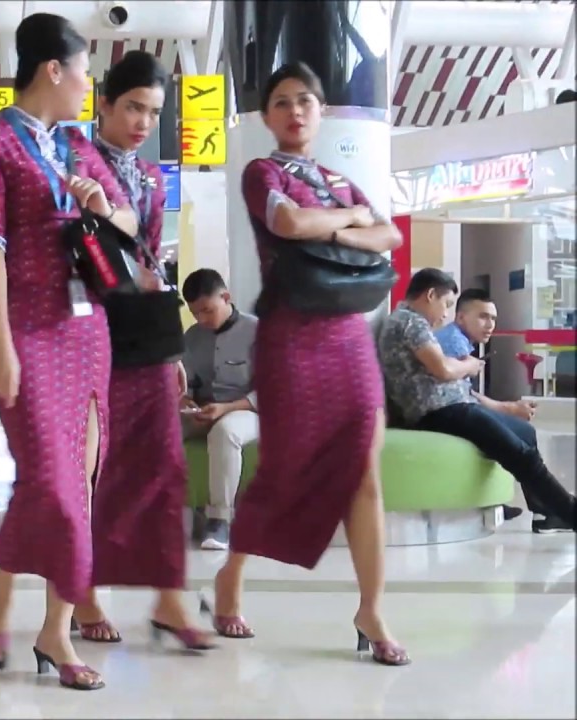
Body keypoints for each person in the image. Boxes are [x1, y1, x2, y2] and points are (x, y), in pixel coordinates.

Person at [0, 13, 138, 691]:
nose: (90, 85)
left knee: (78, 487)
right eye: (85, 72)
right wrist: (0, 342)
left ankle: (53, 628)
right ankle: (3, 596)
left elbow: (127, 220)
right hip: (26, 328)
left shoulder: (78, 146)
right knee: (50, 483)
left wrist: (100, 206)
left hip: (86, 330)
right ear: (53, 70)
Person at [215, 61, 408, 666]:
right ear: (267, 116)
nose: (295, 111)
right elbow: (288, 221)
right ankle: (230, 577)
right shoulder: (262, 172)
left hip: (349, 339)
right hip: (292, 338)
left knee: (364, 471)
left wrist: (338, 231)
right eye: (282, 102)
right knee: (282, 467)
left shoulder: (337, 179)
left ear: (321, 112)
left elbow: (390, 237)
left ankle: (371, 609)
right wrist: (350, 222)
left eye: (305, 101)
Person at [74, 50, 212, 651]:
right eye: (132, 107)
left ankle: (169, 594)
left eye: (153, 112)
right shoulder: (74, 160)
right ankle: (83, 591)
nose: (142, 122)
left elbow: (152, 260)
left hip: (143, 332)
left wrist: (174, 352)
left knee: (164, 461)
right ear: (103, 103)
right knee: (90, 466)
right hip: (85, 327)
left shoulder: (153, 178)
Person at [379, 270, 575, 532]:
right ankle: (570, 512)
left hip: (451, 405)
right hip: (441, 410)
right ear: (430, 295)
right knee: (520, 455)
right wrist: (468, 366)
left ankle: (548, 512)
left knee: (525, 433)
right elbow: (443, 369)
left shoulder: (405, 321)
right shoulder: (411, 322)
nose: (445, 314)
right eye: (446, 304)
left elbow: (442, 366)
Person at [433, 288, 530, 524]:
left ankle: (495, 501)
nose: (490, 325)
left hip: (447, 408)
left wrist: (506, 407)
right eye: (483, 317)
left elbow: (466, 393)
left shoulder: (455, 338)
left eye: (493, 318)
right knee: (525, 433)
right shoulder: (455, 343)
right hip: (443, 413)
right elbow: (463, 398)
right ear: (460, 317)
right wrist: (508, 409)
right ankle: (544, 511)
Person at [180, 269, 260, 550]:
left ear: (226, 297)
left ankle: (220, 520)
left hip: (249, 410)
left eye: (207, 311)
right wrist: (185, 402)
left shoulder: (257, 332)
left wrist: (225, 409)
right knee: (159, 427)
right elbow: (186, 385)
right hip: (205, 410)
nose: (202, 319)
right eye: (195, 313)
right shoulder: (192, 337)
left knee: (225, 432)